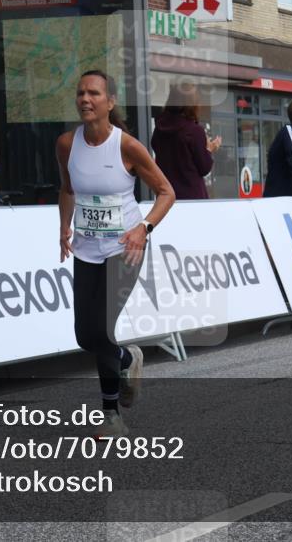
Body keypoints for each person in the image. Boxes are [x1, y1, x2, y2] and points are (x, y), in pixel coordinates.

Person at [56, 70, 175, 439]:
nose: (85, 99)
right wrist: (64, 227)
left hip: (125, 249)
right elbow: (67, 189)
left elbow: (166, 191)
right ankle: (127, 359)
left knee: (102, 331)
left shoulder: (127, 146)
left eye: (94, 93)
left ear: (109, 102)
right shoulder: (65, 144)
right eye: (80, 93)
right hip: (86, 249)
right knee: (84, 335)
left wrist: (144, 228)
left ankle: (111, 416)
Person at [150, 82, 221, 199]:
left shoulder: (159, 129)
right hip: (192, 197)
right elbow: (204, 168)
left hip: (166, 197)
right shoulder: (194, 131)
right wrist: (209, 149)